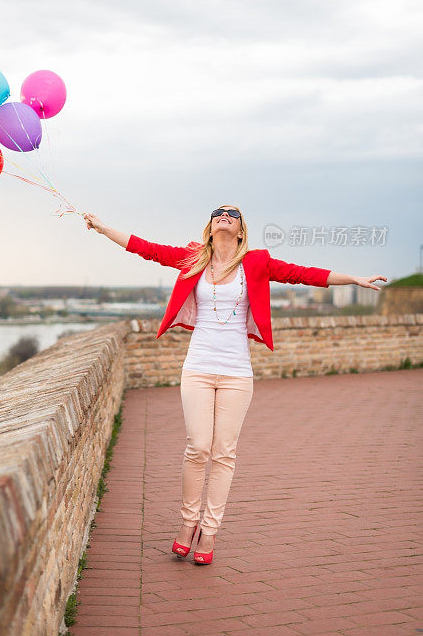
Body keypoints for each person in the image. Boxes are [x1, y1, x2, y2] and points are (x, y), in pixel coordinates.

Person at [82, 205, 387, 565]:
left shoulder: (256, 262)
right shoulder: (193, 258)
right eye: (218, 213)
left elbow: (302, 274)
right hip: (197, 368)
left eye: (233, 213)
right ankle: (188, 522)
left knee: (224, 452)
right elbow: (145, 248)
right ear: (210, 228)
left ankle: (210, 530)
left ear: (241, 231)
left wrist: (354, 280)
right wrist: (102, 228)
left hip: (237, 372)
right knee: (197, 448)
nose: (224, 214)